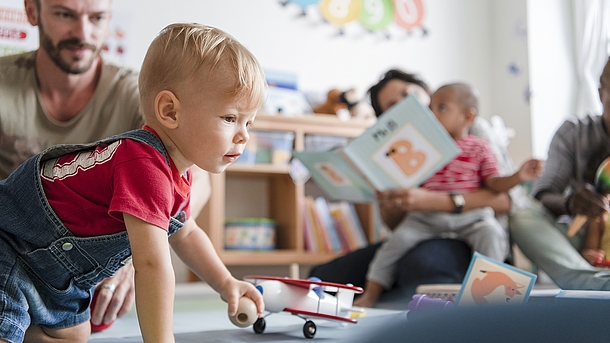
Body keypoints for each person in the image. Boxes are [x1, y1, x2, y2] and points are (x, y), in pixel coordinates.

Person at [0, 22, 266, 343]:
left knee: (74, 336)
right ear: (169, 111)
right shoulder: (143, 164)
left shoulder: (177, 172)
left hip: (57, 274)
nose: (244, 135)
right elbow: (152, 264)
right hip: (13, 243)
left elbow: (186, 232)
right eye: (229, 118)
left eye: (248, 122)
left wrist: (226, 283)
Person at [309, 70, 515, 306]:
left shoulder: (473, 131)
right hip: (423, 226)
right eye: (392, 106)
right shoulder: (396, 147)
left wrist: (436, 202)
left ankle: (479, 304)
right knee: (324, 276)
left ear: (426, 92)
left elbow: (507, 200)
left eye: (408, 93)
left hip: (470, 228)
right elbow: (397, 226)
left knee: (420, 266)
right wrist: (387, 196)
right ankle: (379, 298)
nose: (405, 104)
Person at [353, 83, 543, 307]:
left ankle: (490, 300)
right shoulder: (423, 147)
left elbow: (495, 184)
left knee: (491, 234)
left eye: (441, 108)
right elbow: (408, 181)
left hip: (471, 217)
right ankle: (371, 294)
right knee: (393, 244)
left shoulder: (480, 147)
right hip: (426, 218)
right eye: (431, 108)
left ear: (467, 117)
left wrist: (518, 176)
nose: (433, 115)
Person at [509, 58, 610, 290]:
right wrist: (571, 203)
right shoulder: (573, 133)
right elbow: (543, 195)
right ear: (600, 93)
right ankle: (592, 283)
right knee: (523, 215)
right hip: (581, 240)